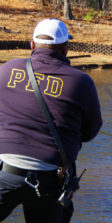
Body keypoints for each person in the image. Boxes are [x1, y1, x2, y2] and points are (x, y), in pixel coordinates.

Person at [0, 18, 102, 222]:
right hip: (50, 180)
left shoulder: (6, 69)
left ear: (31, 45)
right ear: (66, 48)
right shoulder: (81, 82)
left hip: (4, 174)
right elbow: (90, 131)